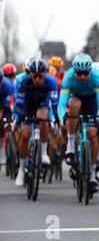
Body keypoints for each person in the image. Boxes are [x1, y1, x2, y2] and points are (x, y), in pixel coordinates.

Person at [58, 53, 99, 193]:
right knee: (74, 105)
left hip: (91, 100)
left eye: (85, 73)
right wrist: (62, 118)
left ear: (90, 71)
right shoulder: (68, 77)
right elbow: (62, 105)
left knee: (92, 133)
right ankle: (71, 144)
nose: (82, 77)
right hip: (76, 98)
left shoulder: (97, 78)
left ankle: (92, 174)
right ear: (74, 71)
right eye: (79, 73)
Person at [14, 58, 58, 186]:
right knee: (25, 134)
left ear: (45, 74)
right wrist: (20, 118)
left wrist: (55, 119)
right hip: (27, 106)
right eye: (35, 76)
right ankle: (21, 170)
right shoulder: (25, 82)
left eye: (40, 76)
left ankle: (44, 153)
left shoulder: (51, 82)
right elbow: (18, 105)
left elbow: (55, 104)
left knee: (43, 117)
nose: (38, 79)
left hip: (42, 104)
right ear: (30, 75)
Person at [0, 70, 14, 167]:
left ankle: (3, 151)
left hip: (5, 104)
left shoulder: (7, 86)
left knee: (3, 122)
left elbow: (8, 106)